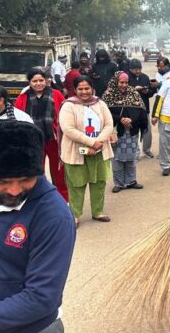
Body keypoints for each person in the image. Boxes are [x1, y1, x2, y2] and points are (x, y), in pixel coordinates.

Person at [0, 120, 75, 333]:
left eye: (26, 179)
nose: (14, 191)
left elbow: (40, 298)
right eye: (2, 182)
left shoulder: (54, 216)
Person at [59, 76, 115, 227]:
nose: (84, 92)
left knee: (99, 182)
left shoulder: (100, 103)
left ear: (92, 88)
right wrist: (91, 142)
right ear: (75, 90)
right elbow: (68, 129)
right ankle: (75, 215)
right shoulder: (68, 106)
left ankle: (98, 212)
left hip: (99, 150)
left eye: (87, 88)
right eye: (80, 89)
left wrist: (99, 142)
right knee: (76, 185)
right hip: (76, 152)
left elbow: (109, 124)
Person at [14, 68, 68, 202]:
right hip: (33, 140)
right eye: (35, 81)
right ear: (29, 82)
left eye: (41, 80)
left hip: (54, 138)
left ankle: (63, 198)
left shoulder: (56, 94)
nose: (38, 83)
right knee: (36, 169)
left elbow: (65, 113)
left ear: (46, 81)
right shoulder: (23, 97)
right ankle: (38, 198)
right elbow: (17, 117)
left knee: (59, 170)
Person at [102, 71, 148, 193]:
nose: (124, 85)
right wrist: (120, 119)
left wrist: (131, 119)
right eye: (121, 82)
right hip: (115, 132)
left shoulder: (133, 92)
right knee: (117, 158)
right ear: (116, 81)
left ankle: (131, 181)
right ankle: (119, 183)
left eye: (126, 82)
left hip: (131, 130)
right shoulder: (108, 94)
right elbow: (103, 113)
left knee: (131, 157)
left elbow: (141, 110)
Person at [127, 59, 157, 158]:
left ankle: (147, 149)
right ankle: (135, 152)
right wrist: (134, 90)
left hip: (144, 109)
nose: (138, 71)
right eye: (135, 69)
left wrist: (147, 92)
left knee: (147, 131)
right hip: (131, 110)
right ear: (130, 69)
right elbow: (122, 93)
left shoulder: (145, 77)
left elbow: (151, 92)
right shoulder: (126, 78)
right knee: (134, 132)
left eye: (139, 69)